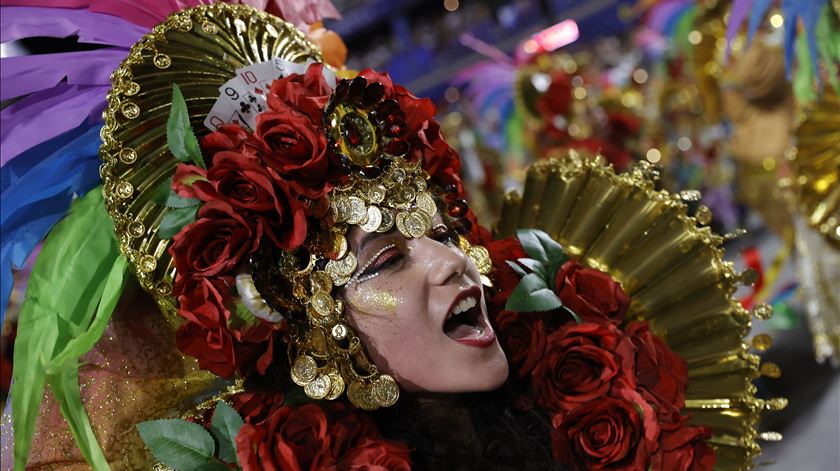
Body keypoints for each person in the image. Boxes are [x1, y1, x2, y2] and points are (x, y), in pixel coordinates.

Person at [2, 3, 775, 470]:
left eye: (440, 231)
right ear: (312, 333)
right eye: (388, 257)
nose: (454, 261)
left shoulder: (573, 400)